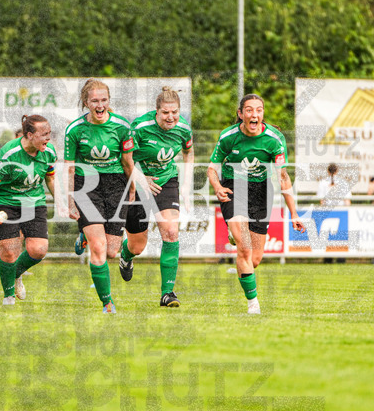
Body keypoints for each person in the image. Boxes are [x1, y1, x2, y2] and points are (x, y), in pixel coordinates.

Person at [208, 93, 305, 314]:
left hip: (261, 190)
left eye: (259, 110)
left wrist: (294, 214)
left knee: (255, 259)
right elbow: (212, 169)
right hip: (234, 186)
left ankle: (239, 247)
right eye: (249, 110)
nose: (254, 114)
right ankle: (253, 304)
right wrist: (217, 187)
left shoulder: (274, 139)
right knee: (243, 249)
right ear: (241, 114)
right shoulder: (228, 137)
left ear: (262, 114)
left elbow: (283, 177)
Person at [118, 87, 194, 308]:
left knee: (170, 231)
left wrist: (187, 186)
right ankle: (126, 256)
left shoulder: (183, 129)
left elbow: (189, 152)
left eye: (175, 112)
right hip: (137, 183)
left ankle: (167, 293)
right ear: (156, 112)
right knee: (137, 246)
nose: (170, 117)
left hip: (166, 181)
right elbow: (126, 158)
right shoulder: (139, 128)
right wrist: (142, 179)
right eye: (165, 113)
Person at [63, 79, 134, 314]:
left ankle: (85, 236)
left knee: (111, 251)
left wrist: (132, 190)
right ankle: (107, 303)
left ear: (108, 101)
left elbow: (127, 162)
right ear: (86, 103)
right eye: (95, 100)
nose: (100, 104)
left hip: (116, 185)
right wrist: (70, 201)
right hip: (87, 185)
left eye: (104, 100)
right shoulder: (74, 130)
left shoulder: (122, 127)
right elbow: (69, 167)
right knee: (98, 246)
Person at [0, 115, 56, 306]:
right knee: (9, 251)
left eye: (49, 134)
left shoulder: (48, 152)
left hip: (34, 203)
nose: (48, 139)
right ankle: (8, 297)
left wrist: (62, 202)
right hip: (5, 202)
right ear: (30, 135)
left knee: (38, 250)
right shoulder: (10, 153)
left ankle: (15, 274)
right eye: (44, 135)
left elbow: (50, 178)